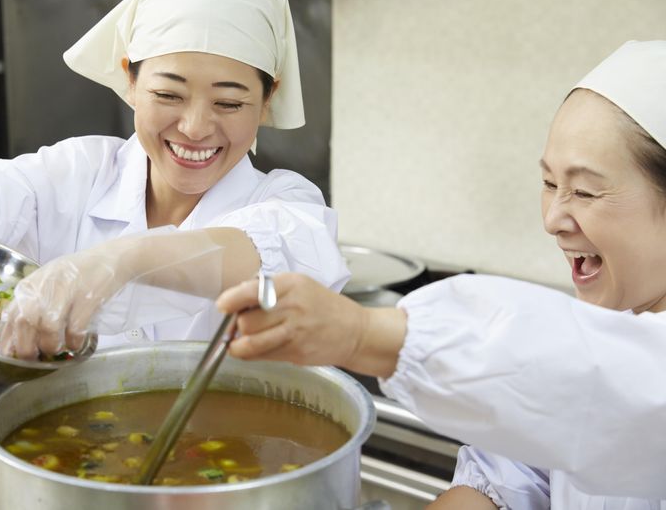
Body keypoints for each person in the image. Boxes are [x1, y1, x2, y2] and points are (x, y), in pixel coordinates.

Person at [216, 40, 666, 505]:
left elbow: (622, 388)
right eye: (550, 183)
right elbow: (509, 477)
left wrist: (362, 333)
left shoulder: (626, 369)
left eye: (586, 192)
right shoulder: (610, 319)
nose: (552, 219)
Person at [0, 0, 348, 359]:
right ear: (130, 81)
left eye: (229, 102)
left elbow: (271, 251)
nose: (195, 128)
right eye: (168, 94)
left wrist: (122, 261)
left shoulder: (286, 201)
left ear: (268, 99)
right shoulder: (81, 172)